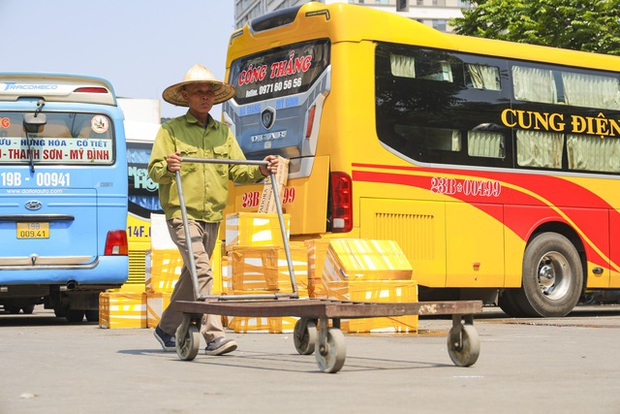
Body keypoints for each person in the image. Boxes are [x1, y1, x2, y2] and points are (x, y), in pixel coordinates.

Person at [148, 64, 279, 355]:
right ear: (186, 96)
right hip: (182, 213)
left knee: (193, 274)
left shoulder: (223, 133)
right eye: (198, 92)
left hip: (212, 215)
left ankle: (166, 327)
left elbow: (239, 172)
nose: (204, 97)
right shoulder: (171, 131)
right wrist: (168, 166)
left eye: (209, 93)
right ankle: (214, 335)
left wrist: (261, 169)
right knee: (203, 270)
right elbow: (155, 171)